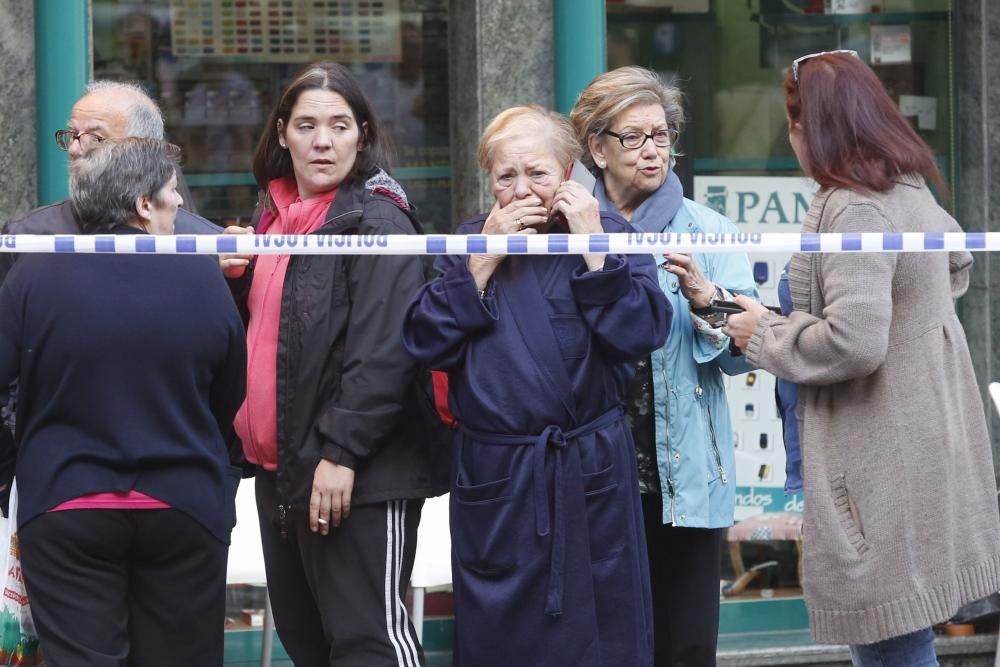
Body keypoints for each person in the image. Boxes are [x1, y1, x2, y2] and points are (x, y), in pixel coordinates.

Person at [723, 50, 1000, 666]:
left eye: (791, 123)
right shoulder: (908, 185)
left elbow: (854, 339)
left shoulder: (853, 204)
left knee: (890, 644)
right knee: (902, 637)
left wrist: (761, 333)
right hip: (921, 438)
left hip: (877, 451)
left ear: (810, 126)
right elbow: (957, 264)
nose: (789, 136)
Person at [401, 105, 671, 667]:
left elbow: (645, 332)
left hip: (587, 470)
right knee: (503, 640)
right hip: (499, 479)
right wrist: (483, 260)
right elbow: (422, 342)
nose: (522, 190)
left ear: (568, 172)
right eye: (506, 177)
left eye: (538, 174)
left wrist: (595, 247)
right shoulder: (470, 241)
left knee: (601, 636)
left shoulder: (610, 234)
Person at [219, 62, 448, 667]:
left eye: (340, 126)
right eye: (307, 125)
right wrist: (234, 281)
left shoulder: (378, 220)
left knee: (369, 641)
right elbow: (274, 335)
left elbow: (386, 352)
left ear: (362, 135)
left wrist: (342, 454)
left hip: (357, 475)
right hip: (283, 471)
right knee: (309, 645)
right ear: (282, 133)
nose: (323, 140)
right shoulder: (273, 214)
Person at [0, 137, 247, 666]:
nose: (179, 203)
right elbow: (231, 393)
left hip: (66, 503)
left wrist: (10, 466)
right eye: (170, 192)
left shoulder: (32, 274)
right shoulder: (200, 276)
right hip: (185, 504)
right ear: (141, 205)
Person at [569, 66, 758, 666]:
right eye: (633, 137)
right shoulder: (564, 226)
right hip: (591, 469)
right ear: (596, 148)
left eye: (662, 134)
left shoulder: (709, 230)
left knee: (685, 644)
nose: (652, 150)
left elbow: (741, 355)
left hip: (684, 475)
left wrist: (708, 302)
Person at [0, 80, 218, 284]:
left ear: (141, 149)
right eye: (74, 134)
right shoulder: (26, 235)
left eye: (96, 138)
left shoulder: (205, 242)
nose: (75, 149)